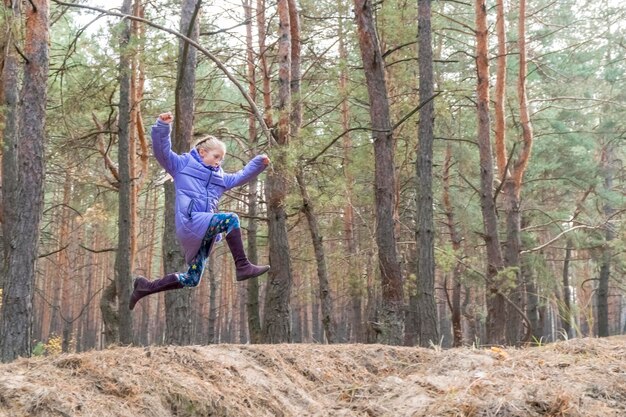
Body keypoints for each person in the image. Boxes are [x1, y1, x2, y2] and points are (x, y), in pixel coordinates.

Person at [129, 111, 270, 310]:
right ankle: (243, 266)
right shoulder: (182, 165)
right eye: (216, 156)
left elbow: (241, 176)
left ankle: (145, 287)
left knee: (192, 278)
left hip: (204, 234)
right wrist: (162, 126)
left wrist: (259, 163)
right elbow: (162, 152)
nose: (219, 161)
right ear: (202, 152)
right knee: (230, 219)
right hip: (190, 222)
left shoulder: (220, 179)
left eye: (222, 158)